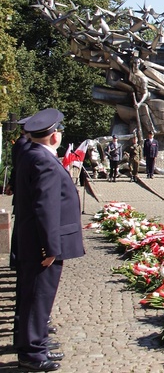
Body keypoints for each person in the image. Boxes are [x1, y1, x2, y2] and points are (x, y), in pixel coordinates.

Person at [14, 108, 85, 371]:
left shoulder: (32, 155)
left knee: (34, 296)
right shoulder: (42, 160)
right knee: (38, 296)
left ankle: (35, 344)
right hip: (41, 244)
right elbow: (45, 207)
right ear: (54, 136)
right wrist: (50, 246)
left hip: (34, 240)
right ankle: (33, 353)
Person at [7, 116, 32, 269]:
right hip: (23, 192)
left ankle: (16, 260)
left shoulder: (21, 143)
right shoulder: (24, 145)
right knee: (21, 229)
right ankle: (17, 260)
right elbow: (19, 169)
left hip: (20, 190)